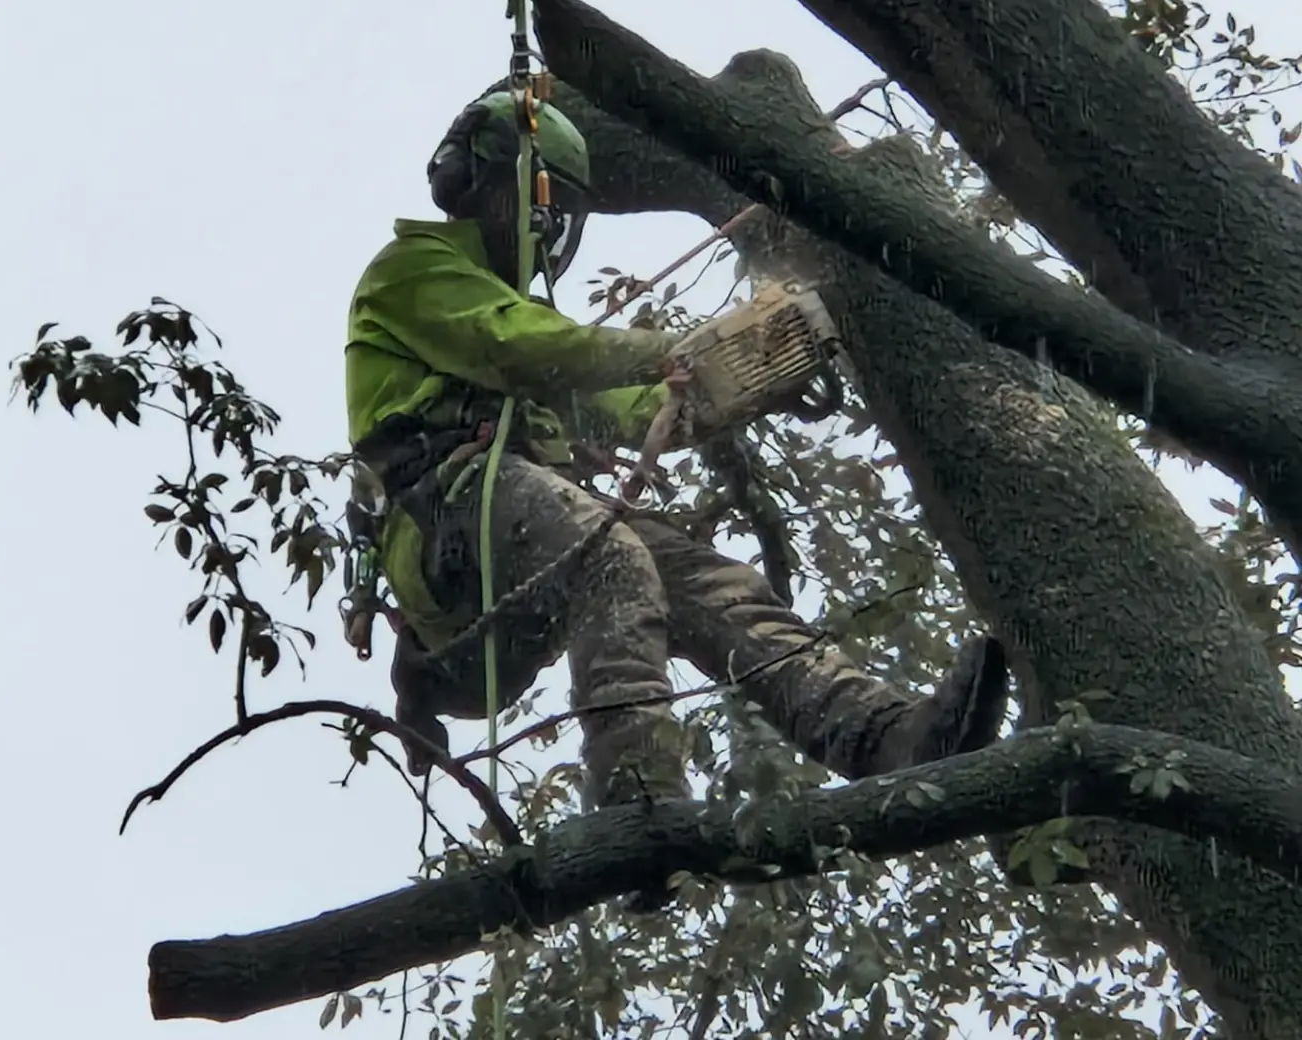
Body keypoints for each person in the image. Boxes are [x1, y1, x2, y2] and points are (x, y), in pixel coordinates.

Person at [344, 90, 1009, 816]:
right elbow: (523, 345)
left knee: (714, 587)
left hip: (526, 535)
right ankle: (635, 794)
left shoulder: (528, 326)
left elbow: (632, 409)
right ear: (493, 186)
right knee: (611, 558)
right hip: (448, 521)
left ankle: (883, 736)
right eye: (544, 202)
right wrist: (668, 350)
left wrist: (750, 373)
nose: (547, 224)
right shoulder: (413, 268)